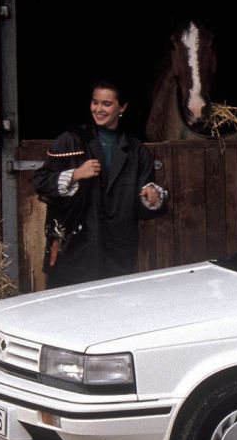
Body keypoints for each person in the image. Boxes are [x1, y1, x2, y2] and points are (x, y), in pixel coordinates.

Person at [32, 81, 169, 288]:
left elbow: (144, 206)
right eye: (95, 102)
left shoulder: (136, 150)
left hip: (118, 250)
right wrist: (76, 174)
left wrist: (153, 196)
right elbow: (40, 182)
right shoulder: (71, 140)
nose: (98, 109)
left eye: (106, 104)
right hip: (75, 248)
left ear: (122, 108)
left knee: (114, 309)